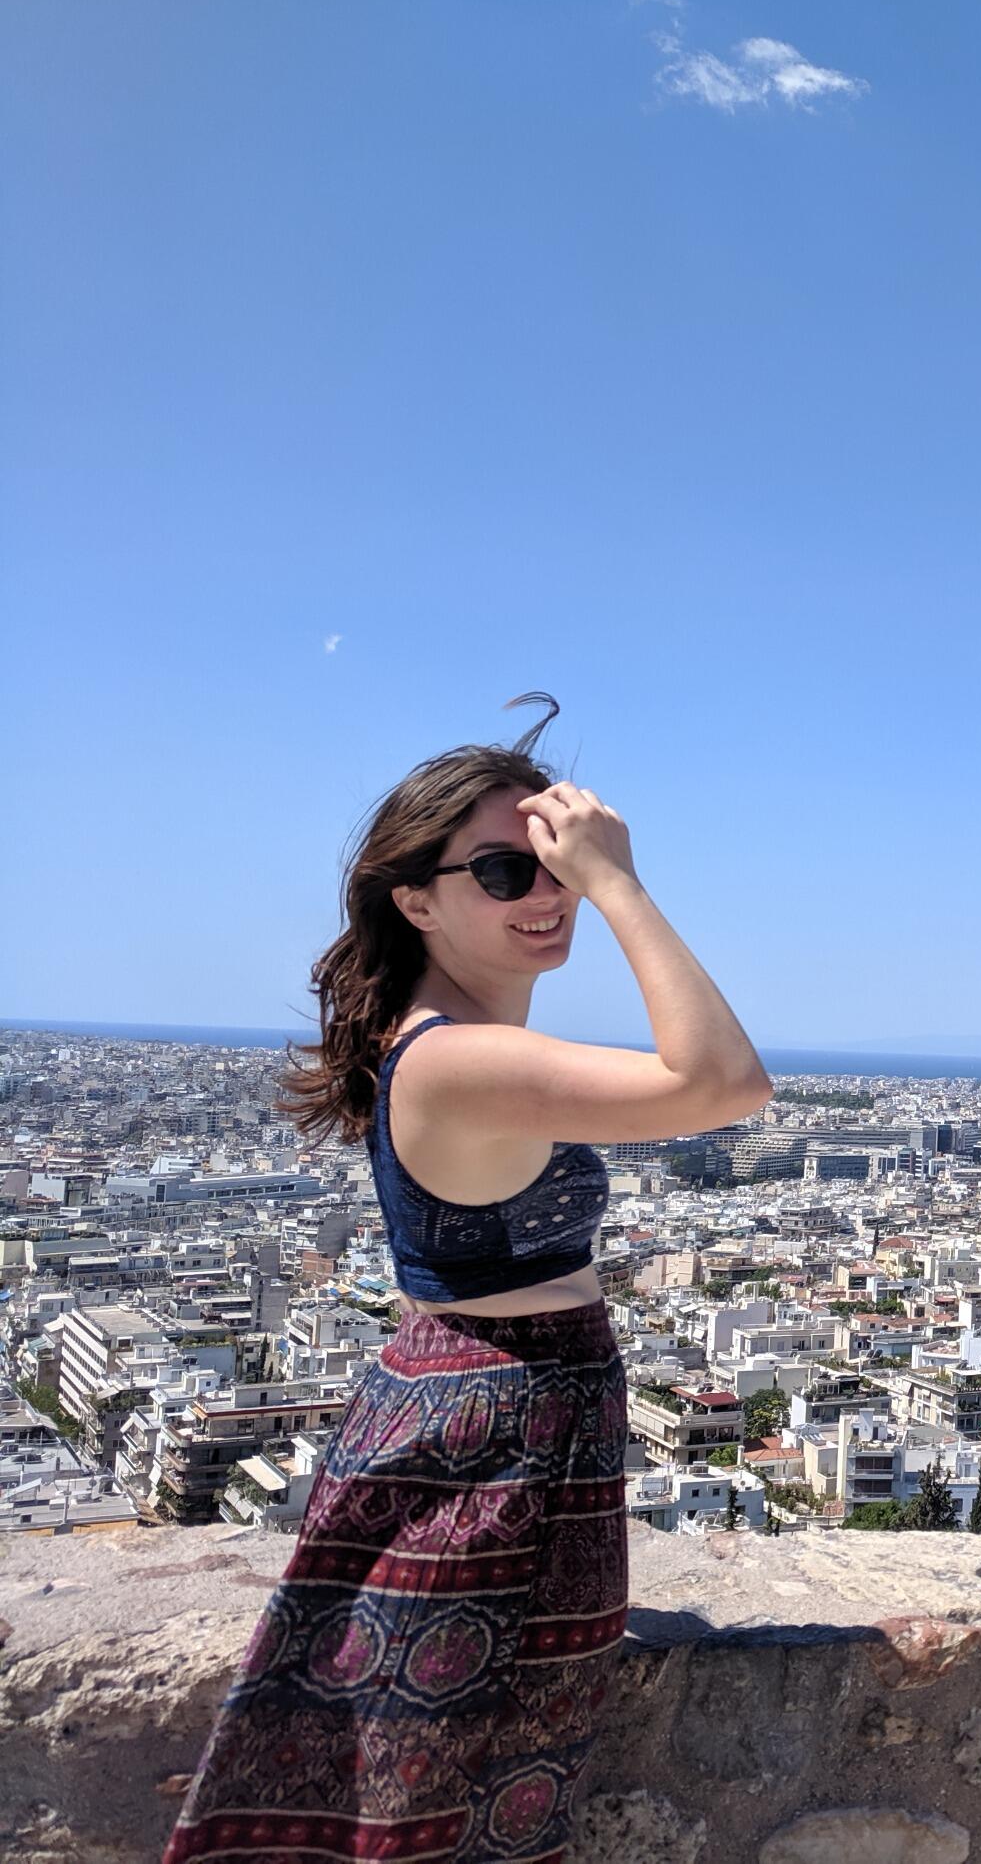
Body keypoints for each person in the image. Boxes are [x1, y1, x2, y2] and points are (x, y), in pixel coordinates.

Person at [164, 694, 770, 1864]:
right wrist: (617, 882)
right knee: (439, 1786)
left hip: (499, 1432)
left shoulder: (443, 1041)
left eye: (549, 865)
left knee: (456, 1777)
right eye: (507, 869)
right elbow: (723, 1082)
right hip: (490, 1446)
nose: (546, 894)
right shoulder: (458, 1061)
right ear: (416, 898)